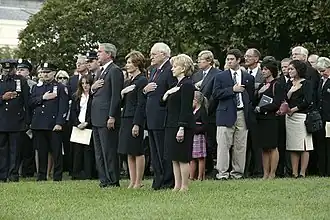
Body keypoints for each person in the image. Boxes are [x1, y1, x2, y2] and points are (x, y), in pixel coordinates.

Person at [213, 49, 255, 180]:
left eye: (232, 59)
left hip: (242, 113)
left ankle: (237, 173)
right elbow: (215, 94)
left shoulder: (248, 77)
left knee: (240, 145)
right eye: (228, 59)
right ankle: (222, 173)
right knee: (223, 144)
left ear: (238, 60)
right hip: (225, 113)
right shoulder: (220, 76)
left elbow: (250, 96)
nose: (229, 61)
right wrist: (232, 90)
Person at [143, 42, 176, 190]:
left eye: (154, 54)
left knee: (163, 151)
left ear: (163, 54)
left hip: (162, 116)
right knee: (155, 151)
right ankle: (158, 180)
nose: (151, 57)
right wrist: (145, 90)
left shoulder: (170, 70)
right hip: (152, 117)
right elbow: (149, 90)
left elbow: (172, 92)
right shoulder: (155, 71)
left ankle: (167, 180)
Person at [91, 43, 124, 188]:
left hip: (106, 117)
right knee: (99, 151)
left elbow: (116, 96)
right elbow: (96, 92)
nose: (98, 54)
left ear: (109, 54)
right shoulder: (100, 71)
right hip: (96, 116)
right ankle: (104, 179)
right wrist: (92, 88)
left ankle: (113, 179)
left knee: (109, 150)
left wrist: (112, 116)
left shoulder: (114, 71)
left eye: (100, 51)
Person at [30, 62, 69, 181]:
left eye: (47, 72)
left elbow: (63, 106)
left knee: (56, 151)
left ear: (53, 73)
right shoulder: (36, 87)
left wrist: (59, 122)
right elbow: (30, 103)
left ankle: (57, 176)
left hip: (53, 124)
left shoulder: (60, 87)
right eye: (43, 72)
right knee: (41, 151)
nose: (45, 74)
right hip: (39, 123)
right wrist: (42, 98)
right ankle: (41, 175)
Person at [161, 54, 195, 192]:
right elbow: (163, 103)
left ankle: (184, 186)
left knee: (182, 156)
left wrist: (181, 127)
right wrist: (167, 94)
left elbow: (185, 108)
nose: (172, 69)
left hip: (182, 124)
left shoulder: (187, 85)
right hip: (171, 123)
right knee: (173, 157)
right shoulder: (176, 85)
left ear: (183, 68)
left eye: (175, 66)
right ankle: (177, 185)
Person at [118, 51, 148, 189]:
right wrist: (122, 93)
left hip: (135, 118)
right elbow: (123, 103)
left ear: (137, 64)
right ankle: (132, 180)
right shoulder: (127, 81)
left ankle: (139, 181)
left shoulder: (142, 80)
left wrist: (137, 123)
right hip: (126, 117)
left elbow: (141, 104)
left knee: (137, 150)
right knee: (128, 151)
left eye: (130, 62)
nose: (127, 65)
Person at [0, 60, 30, 182]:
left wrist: (27, 120)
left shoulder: (21, 81)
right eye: (6, 70)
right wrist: (3, 97)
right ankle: (2, 174)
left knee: (15, 150)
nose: (8, 72)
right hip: (1, 120)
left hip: (17, 120)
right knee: (2, 150)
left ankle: (13, 174)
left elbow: (27, 101)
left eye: (10, 70)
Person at [254, 60, 284, 179]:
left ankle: (272, 173)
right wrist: (258, 93)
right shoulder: (262, 85)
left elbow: (277, 102)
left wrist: (262, 109)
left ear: (272, 71)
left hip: (272, 118)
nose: (263, 71)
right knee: (264, 147)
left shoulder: (277, 84)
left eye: (266, 69)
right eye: (262, 69)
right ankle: (265, 173)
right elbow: (255, 101)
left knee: (272, 146)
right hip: (261, 119)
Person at [285, 60, 313, 178]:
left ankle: (302, 172)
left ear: (298, 70)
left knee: (304, 145)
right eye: (289, 69)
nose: (289, 71)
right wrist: (291, 91)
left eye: (292, 69)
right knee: (293, 145)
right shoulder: (288, 84)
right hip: (289, 117)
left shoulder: (306, 83)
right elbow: (284, 99)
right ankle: (294, 172)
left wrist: (294, 109)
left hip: (301, 116)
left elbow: (307, 101)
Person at [70, 75, 95, 180]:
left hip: (88, 125)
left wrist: (87, 123)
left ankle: (89, 173)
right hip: (78, 125)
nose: (85, 85)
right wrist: (77, 123)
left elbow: (93, 112)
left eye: (87, 83)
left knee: (88, 151)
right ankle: (76, 173)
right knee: (77, 151)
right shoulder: (76, 96)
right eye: (83, 83)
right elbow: (73, 112)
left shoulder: (93, 96)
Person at [16, 59, 36, 178]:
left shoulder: (33, 85)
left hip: (29, 119)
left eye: (22, 70)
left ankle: (28, 171)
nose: (19, 72)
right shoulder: (13, 83)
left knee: (28, 147)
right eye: (18, 69)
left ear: (28, 72)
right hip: (16, 119)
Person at [315, 57, 330, 176]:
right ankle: (322, 170)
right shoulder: (321, 81)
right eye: (319, 71)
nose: (322, 73)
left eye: (323, 70)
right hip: (321, 118)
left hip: (329, 118)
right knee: (321, 144)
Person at [189, 91, 208, 181]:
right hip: (192, 136)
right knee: (192, 157)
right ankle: (191, 176)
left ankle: (200, 176)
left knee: (200, 157)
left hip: (199, 136)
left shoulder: (202, 111)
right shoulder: (192, 111)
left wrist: (196, 129)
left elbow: (205, 125)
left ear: (196, 100)